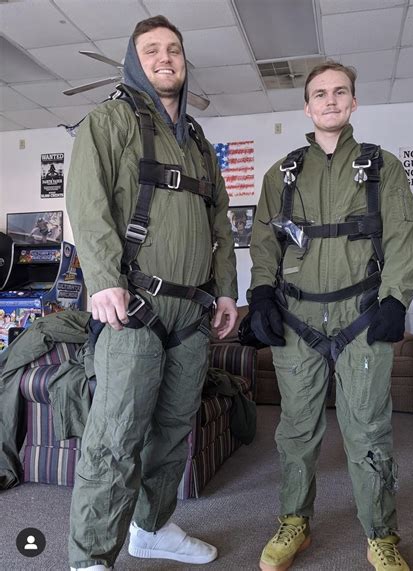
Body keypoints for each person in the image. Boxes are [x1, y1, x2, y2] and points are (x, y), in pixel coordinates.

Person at [66, 15, 238, 571]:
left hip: (192, 313)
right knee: (115, 440)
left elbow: (219, 223)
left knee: (170, 436)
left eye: (174, 50)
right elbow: (86, 206)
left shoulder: (198, 143)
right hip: (132, 309)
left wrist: (227, 292)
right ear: (132, 61)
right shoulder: (108, 120)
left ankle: (153, 527)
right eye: (151, 50)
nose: (165, 58)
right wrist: (102, 281)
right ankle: (90, 557)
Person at [248, 61, 413, 571]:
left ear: (353, 103)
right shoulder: (282, 173)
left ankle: (380, 535)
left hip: (362, 315)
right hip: (297, 319)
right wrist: (259, 295)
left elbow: (403, 236)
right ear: (307, 106)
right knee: (296, 430)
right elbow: (263, 241)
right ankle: (294, 522)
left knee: (368, 430)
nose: (329, 100)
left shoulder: (381, 166)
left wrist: (396, 298)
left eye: (339, 92)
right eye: (319, 93)